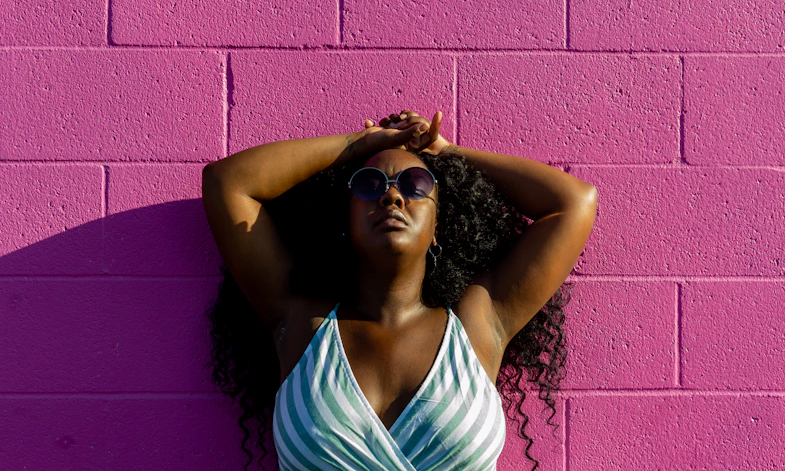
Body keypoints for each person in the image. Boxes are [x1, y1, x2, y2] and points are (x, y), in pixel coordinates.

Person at [202, 110, 598, 471]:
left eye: (416, 184)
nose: (392, 195)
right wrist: (361, 144)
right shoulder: (301, 320)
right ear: (345, 220)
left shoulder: (478, 323)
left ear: (439, 225)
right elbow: (227, 183)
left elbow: (573, 202)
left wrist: (448, 153)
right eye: (370, 184)